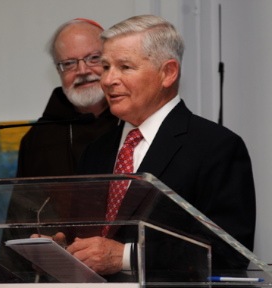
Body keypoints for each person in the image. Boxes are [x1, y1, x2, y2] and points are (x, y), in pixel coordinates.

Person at [54, 14, 256, 280]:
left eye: (124, 67)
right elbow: (90, 235)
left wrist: (126, 256)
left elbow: (230, 254)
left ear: (168, 73)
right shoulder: (96, 151)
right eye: (105, 67)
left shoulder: (216, 147)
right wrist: (62, 245)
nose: (107, 80)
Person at [16, 18, 118, 178]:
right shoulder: (38, 139)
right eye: (69, 63)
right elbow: (25, 202)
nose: (83, 71)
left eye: (93, 58)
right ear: (58, 71)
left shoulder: (133, 120)